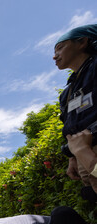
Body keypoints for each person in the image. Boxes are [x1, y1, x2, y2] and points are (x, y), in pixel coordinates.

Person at [54, 24, 97, 202]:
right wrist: (73, 155)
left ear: (82, 42)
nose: (54, 56)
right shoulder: (67, 93)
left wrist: (84, 145)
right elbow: (69, 124)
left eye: (60, 47)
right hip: (81, 153)